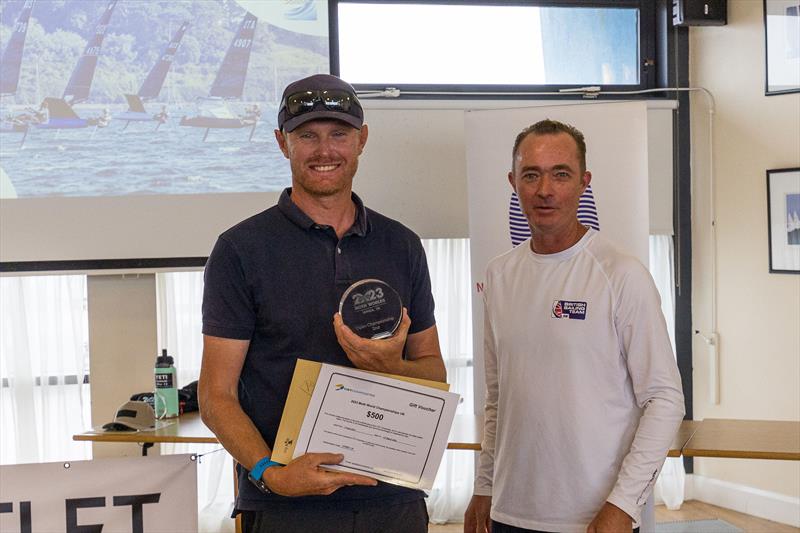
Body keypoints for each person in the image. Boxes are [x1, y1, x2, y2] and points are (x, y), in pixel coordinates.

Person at [199, 74, 446, 533]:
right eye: (306, 136)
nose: (324, 150)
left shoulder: (402, 245)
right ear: (281, 143)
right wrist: (271, 474)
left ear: (362, 139)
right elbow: (216, 396)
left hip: (393, 501)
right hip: (287, 507)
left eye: (339, 134)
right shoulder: (240, 250)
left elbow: (433, 375)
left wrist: (392, 365)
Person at [464, 120, 685, 533]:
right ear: (513, 182)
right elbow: (498, 397)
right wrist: (485, 485)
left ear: (584, 182)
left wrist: (622, 505)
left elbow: (665, 398)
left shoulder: (621, 274)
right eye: (531, 175)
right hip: (510, 512)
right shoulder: (498, 276)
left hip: (596, 517)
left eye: (560, 174)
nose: (544, 189)